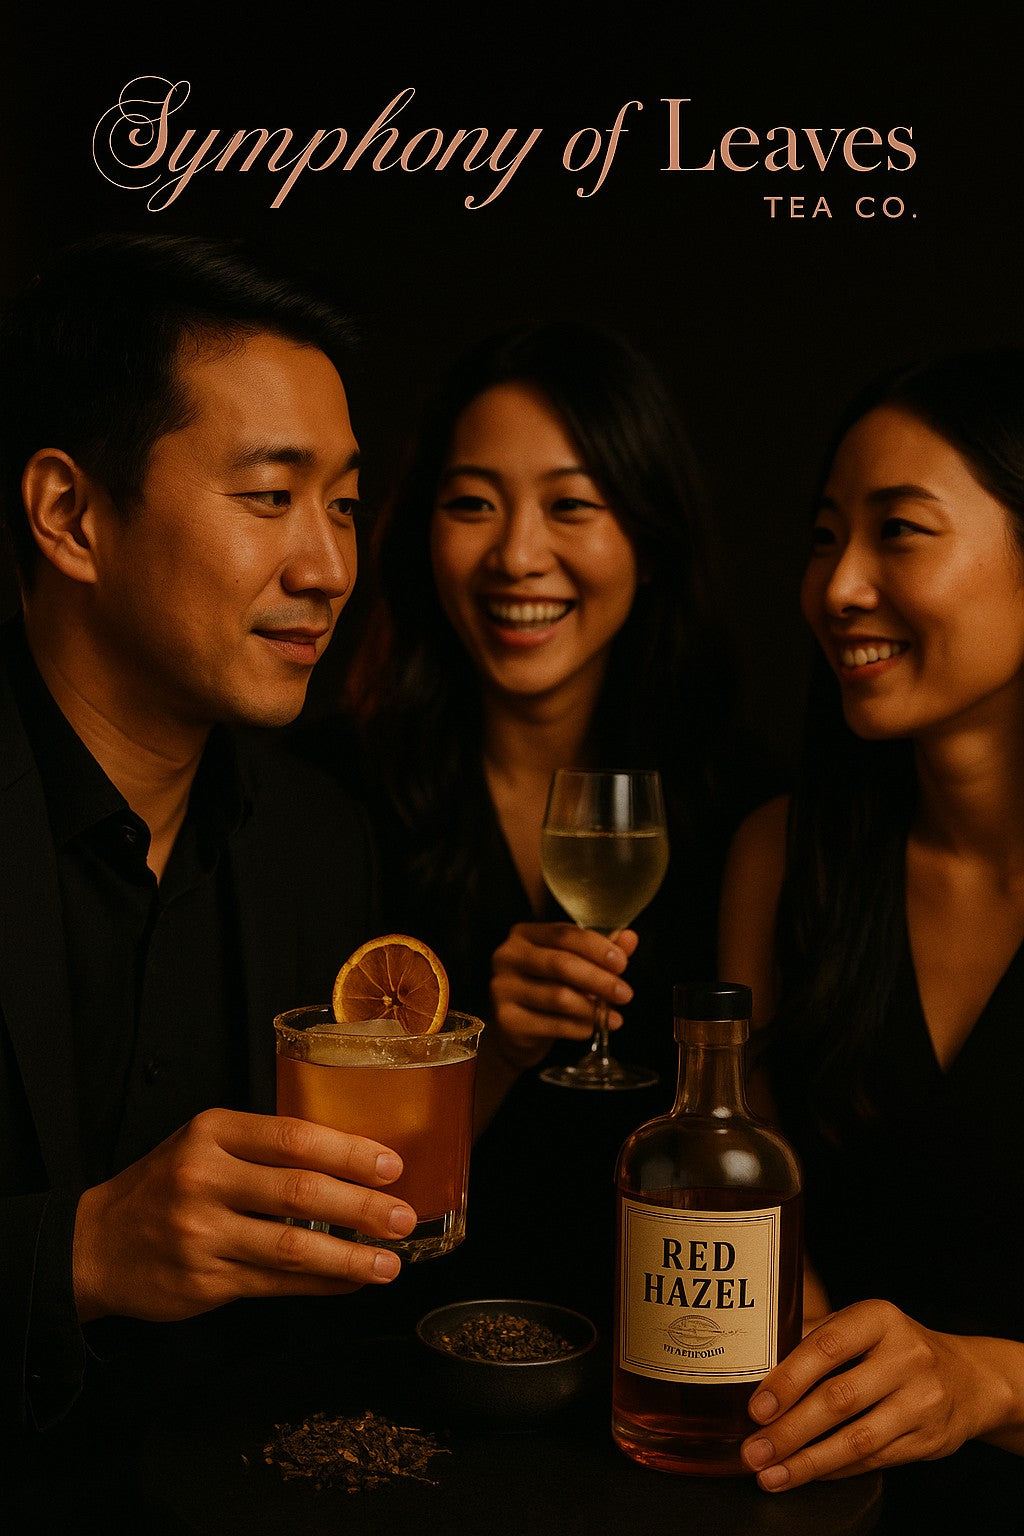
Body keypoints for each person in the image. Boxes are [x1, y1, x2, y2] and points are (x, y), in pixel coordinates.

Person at [0, 233, 419, 1441]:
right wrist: (77, 1251)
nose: (330, 566)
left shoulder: (319, 841)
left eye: (342, 506)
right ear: (71, 514)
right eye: (271, 497)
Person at [330, 321, 768, 1318]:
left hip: (663, 1355)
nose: (517, 556)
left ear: (649, 542)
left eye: (571, 505)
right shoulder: (326, 799)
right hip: (396, 1352)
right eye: (472, 505)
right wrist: (496, 1050)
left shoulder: (746, 815)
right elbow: (336, 1199)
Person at [718, 349, 1024, 1502]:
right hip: (821, 1491)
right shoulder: (781, 860)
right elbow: (748, 1217)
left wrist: (985, 1383)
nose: (837, 587)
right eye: (823, 536)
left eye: (899, 531)